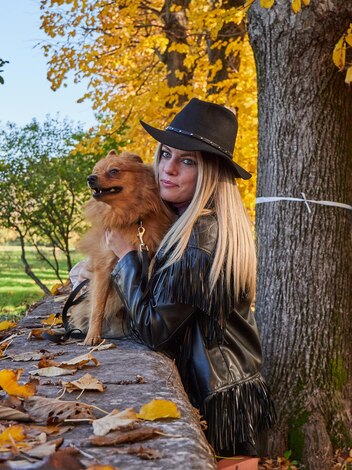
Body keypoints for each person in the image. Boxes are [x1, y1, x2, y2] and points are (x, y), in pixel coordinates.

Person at [105, 98, 275, 457]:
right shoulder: (188, 225)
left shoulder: (201, 239)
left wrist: (126, 258)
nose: (168, 169)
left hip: (220, 410)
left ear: (210, 173)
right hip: (224, 395)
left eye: (187, 161)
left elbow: (154, 330)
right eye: (166, 153)